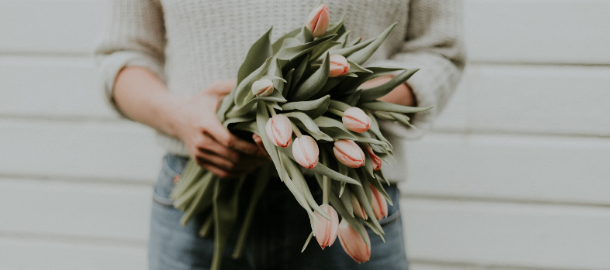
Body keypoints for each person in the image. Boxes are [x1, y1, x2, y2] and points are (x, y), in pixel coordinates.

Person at [94, 0, 466, 269]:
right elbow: (123, 54)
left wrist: (335, 100)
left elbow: (440, 51)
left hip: (343, 196)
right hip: (195, 199)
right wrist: (180, 119)